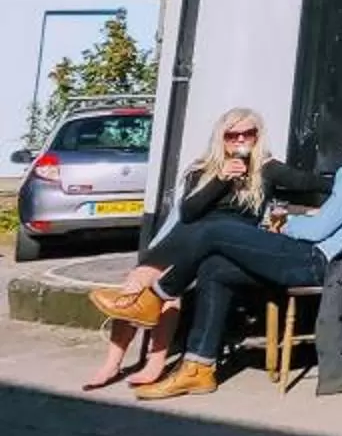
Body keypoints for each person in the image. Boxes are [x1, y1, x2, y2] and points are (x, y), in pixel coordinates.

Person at [124, 89, 342, 403]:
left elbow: (320, 229)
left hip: (322, 262)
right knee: (214, 268)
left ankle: (157, 295)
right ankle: (198, 368)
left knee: (214, 230)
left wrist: (283, 224)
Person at [84, 108, 306, 390]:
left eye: (248, 134)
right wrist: (220, 179)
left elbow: (308, 183)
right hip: (187, 237)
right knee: (137, 282)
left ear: (258, 136)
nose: (240, 140)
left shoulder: (268, 168)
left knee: (170, 291)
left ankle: (155, 362)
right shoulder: (204, 168)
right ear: (221, 137)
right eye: (232, 135)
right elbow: (188, 212)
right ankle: (111, 363)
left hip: (226, 244)